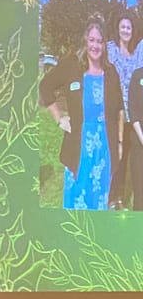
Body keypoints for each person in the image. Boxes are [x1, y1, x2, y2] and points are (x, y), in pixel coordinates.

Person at [41, 17, 121, 211]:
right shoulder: (71, 66)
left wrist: (119, 143)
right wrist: (59, 118)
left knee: (99, 199)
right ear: (86, 41)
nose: (95, 45)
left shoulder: (111, 72)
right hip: (78, 147)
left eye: (99, 41)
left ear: (104, 45)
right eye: (92, 40)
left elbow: (119, 109)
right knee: (77, 199)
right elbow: (45, 86)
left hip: (104, 149)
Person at [108, 14, 142, 209]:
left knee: (133, 159)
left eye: (129, 27)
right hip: (116, 115)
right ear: (118, 29)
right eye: (123, 27)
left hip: (134, 117)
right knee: (117, 157)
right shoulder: (111, 50)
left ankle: (134, 198)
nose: (126, 30)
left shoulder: (137, 55)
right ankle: (114, 198)